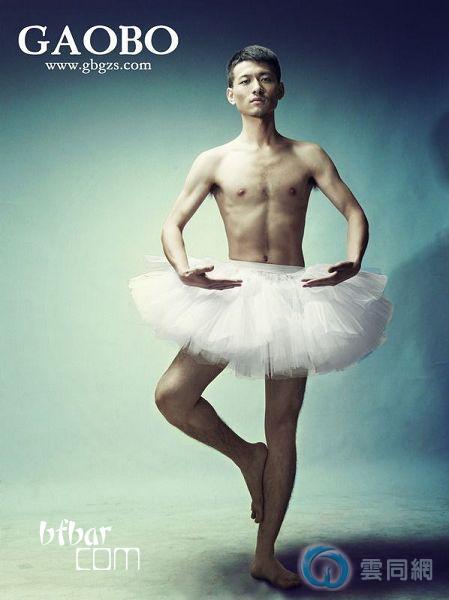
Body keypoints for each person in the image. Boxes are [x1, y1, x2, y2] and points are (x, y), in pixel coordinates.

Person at [128, 45, 393, 590]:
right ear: (231, 94)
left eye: (265, 78)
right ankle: (248, 457)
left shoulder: (309, 155)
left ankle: (266, 554)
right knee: (173, 396)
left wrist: (352, 260)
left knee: (283, 425)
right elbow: (173, 224)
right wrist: (183, 270)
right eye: (246, 80)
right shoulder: (214, 161)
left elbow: (353, 211)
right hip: (235, 291)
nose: (256, 87)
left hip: (295, 295)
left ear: (280, 90)